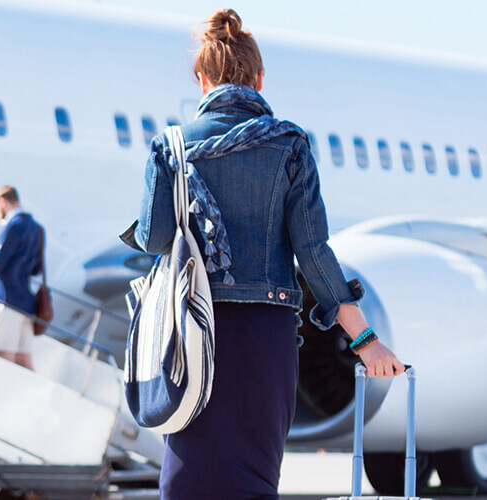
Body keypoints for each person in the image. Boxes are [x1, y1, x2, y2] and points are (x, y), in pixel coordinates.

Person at [129, 9, 406, 499]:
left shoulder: (170, 147)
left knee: (187, 476)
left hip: (195, 332)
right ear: (259, 79)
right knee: (254, 478)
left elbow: (154, 241)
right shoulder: (290, 145)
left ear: (201, 79)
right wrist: (364, 339)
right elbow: (313, 253)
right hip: (265, 338)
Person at [0, 186, 44, 370]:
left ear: (2, 201)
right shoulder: (37, 229)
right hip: (26, 303)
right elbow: (37, 269)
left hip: (6, 299)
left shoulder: (14, 226)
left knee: (2, 355)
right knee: (23, 360)